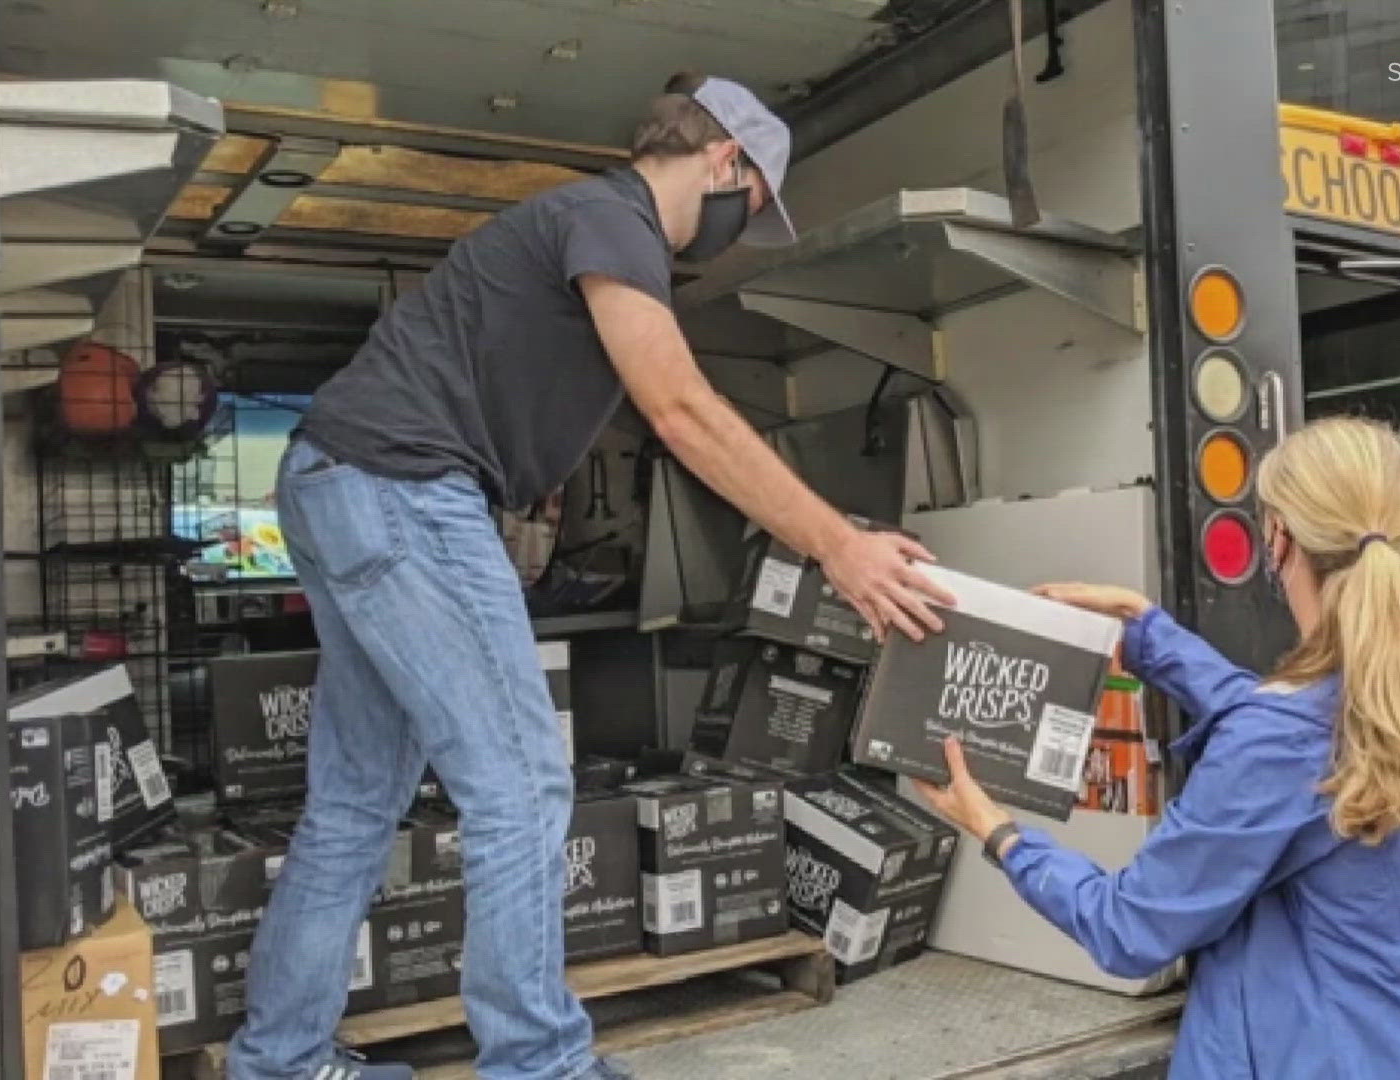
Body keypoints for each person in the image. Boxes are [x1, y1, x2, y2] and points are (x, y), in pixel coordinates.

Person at [225, 73, 951, 1080]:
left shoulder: (580, 226)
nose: (740, 231)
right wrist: (838, 545)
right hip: (399, 485)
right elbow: (681, 410)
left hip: (342, 480)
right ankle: (539, 1064)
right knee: (521, 784)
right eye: (752, 207)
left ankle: (282, 1059)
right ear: (725, 162)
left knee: (356, 802)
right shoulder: (615, 221)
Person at [914, 416, 1400, 1079]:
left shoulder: (1285, 740)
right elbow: (1304, 731)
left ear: (1277, 537)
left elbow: (1128, 929)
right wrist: (1151, 635)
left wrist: (999, 832)